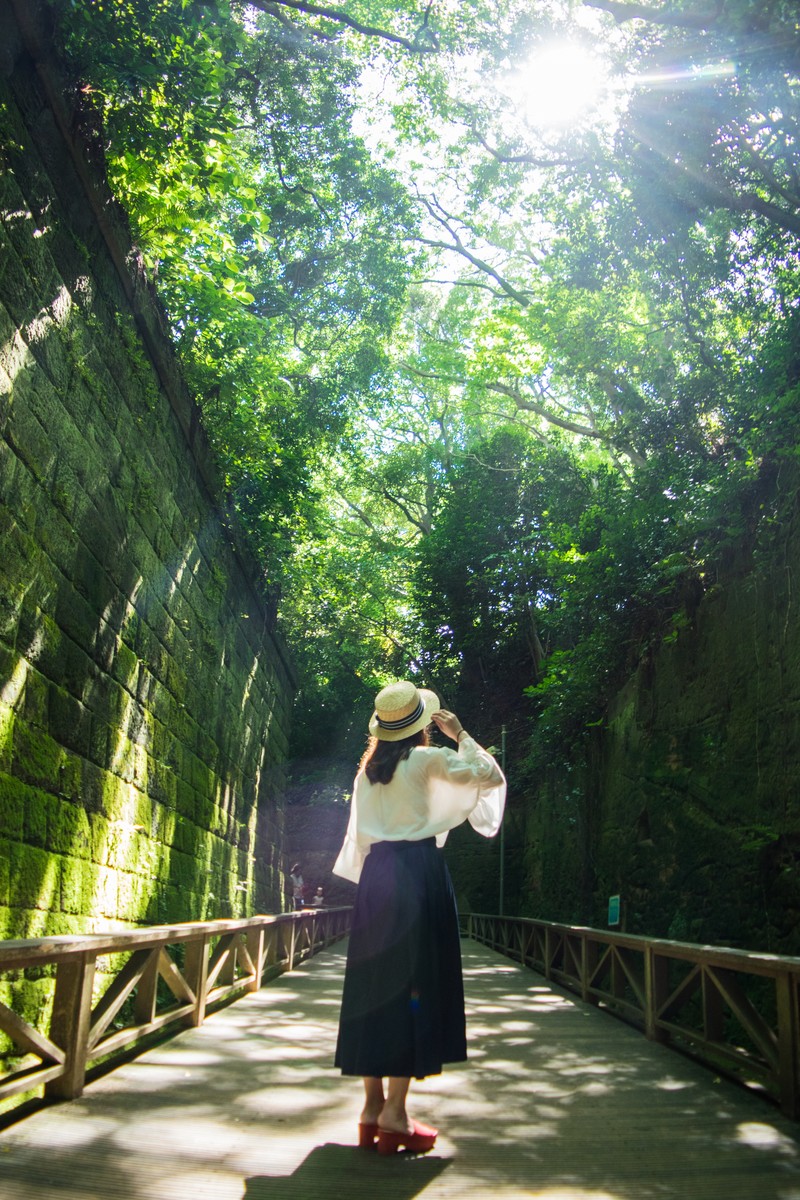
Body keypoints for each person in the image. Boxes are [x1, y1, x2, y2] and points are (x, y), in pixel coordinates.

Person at [332, 680, 506, 1156]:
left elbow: (358, 838)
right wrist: (461, 734)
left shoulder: (366, 773)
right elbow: (486, 776)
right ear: (420, 725)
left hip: (377, 879)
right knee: (414, 984)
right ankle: (395, 1113)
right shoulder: (428, 760)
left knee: (373, 985)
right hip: (418, 873)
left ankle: (371, 1108)